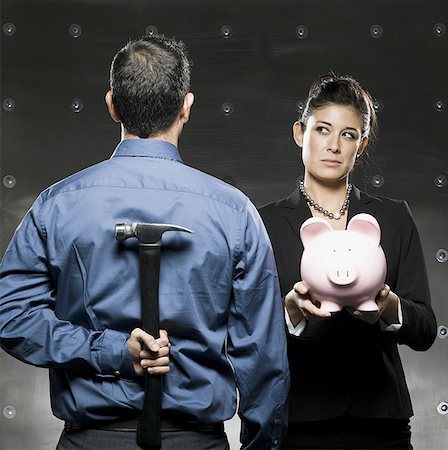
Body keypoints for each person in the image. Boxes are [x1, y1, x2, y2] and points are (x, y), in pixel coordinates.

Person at [0, 34, 290, 450]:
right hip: (197, 442)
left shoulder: (58, 205)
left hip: (91, 441)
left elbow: (9, 317)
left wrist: (105, 352)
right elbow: (264, 362)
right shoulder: (234, 213)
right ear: (186, 107)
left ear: (112, 105)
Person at [258, 72, 437, 449]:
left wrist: (389, 307)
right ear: (299, 134)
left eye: (348, 135)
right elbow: (242, 333)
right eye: (322, 130)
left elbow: (424, 329)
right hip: (300, 421)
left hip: (380, 423)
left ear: (362, 145)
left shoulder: (393, 217)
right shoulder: (264, 222)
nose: (334, 146)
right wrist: (289, 313)